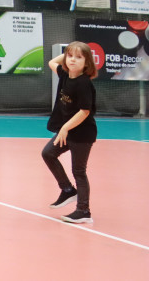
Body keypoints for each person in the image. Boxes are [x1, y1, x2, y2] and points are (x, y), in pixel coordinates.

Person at [43, 41, 98, 224]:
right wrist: (70, 51)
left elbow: (85, 111)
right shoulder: (65, 74)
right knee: (48, 153)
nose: (73, 60)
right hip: (68, 131)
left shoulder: (83, 84)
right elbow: (52, 62)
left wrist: (65, 127)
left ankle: (84, 211)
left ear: (87, 62)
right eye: (70, 56)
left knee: (79, 171)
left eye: (79, 57)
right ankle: (67, 190)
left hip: (82, 134)